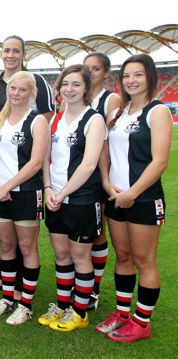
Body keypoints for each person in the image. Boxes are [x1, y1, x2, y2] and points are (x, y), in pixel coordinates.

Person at [96, 54, 172, 342]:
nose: (131, 80)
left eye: (138, 75)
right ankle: (123, 314)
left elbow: (159, 161)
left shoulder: (157, 112)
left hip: (143, 198)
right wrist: (107, 183)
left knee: (144, 261)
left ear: (149, 77)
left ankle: (142, 323)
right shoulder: (119, 113)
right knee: (123, 257)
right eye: (127, 75)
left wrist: (132, 193)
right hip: (116, 197)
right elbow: (106, 153)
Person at [0, 35, 55, 292]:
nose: (11, 55)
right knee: (7, 243)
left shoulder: (37, 86)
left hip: (26, 177)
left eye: (16, 51)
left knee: (26, 244)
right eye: (6, 50)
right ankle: (7, 285)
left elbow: (43, 123)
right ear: (0, 54)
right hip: (0, 182)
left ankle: (25, 293)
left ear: (24, 55)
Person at [39, 64, 106, 332]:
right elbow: (44, 159)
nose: (70, 89)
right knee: (61, 255)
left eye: (76, 84)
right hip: (54, 197)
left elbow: (89, 165)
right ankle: (62, 305)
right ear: (59, 89)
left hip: (82, 199)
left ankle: (80, 312)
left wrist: (63, 192)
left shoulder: (94, 119)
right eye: (65, 84)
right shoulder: (53, 119)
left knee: (80, 257)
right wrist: (47, 190)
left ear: (86, 88)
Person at [0, 71, 48, 325]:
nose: (16, 94)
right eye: (13, 88)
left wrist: (7, 185)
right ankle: (8, 298)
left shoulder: (37, 121)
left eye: (23, 90)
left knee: (27, 248)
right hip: (0, 193)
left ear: (31, 93)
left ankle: (26, 304)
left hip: (27, 193)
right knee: (7, 247)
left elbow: (36, 163)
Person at [81, 52, 121, 310]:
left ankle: (93, 288)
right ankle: (81, 281)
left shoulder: (111, 99)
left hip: (100, 170)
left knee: (98, 230)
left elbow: (108, 136)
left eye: (96, 68)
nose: (91, 72)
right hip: (78, 173)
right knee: (82, 231)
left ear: (106, 73)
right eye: (86, 68)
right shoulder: (75, 97)